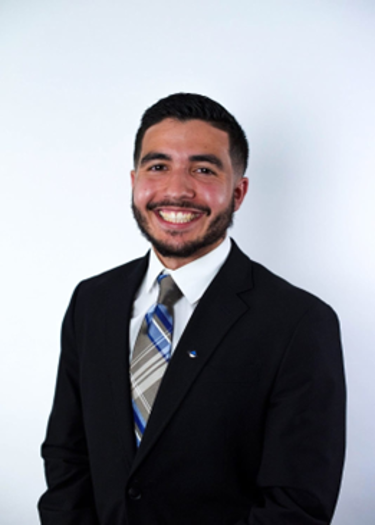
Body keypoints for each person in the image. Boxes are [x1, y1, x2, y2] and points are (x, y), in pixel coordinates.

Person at [38, 93, 346, 525]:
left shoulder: (299, 323)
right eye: (158, 166)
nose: (177, 190)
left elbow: (296, 505)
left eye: (203, 169)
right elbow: (67, 456)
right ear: (134, 181)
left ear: (237, 192)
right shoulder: (92, 301)